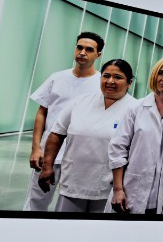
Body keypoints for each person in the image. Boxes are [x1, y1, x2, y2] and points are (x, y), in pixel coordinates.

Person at [39, 59, 137, 213]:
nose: (110, 81)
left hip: (111, 188)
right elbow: (57, 134)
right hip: (73, 182)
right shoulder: (80, 102)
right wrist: (47, 167)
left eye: (118, 77)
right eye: (106, 76)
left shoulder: (135, 109)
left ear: (129, 82)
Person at [23, 32, 103, 210]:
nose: (82, 52)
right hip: (48, 154)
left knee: (71, 206)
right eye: (79, 47)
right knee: (35, 203)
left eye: (89, 50)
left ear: (98, 55)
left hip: (80, 158)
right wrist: (36, 148)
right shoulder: (57, 77)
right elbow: (42, 113)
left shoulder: (101, 83)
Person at [109, 57, 163, 216]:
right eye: (161, 73)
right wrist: (118, 189)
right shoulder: (136, 108)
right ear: (154, 76)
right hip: (132, 190)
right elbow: (118, 148)